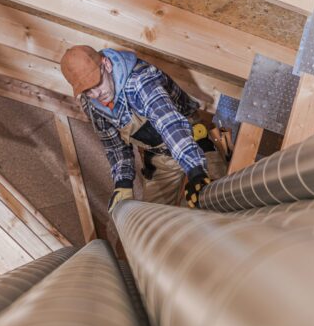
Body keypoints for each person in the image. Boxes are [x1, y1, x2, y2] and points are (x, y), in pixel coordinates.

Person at [60, 45, 220, 211]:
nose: (97, 94)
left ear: (106, 65)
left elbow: (170, 125)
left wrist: (195, 171)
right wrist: (122, 183)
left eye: (97, 83)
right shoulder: (92, 106)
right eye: (88, 91)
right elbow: (115, 147)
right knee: (152, 223)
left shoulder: (141, 81)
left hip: (192, 145)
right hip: (161, 159)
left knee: (217, 204)